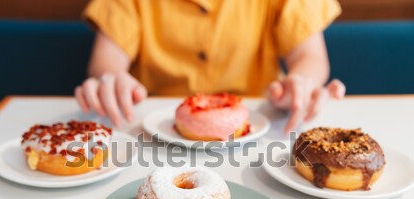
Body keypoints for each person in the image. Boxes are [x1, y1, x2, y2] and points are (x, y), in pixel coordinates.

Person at [75, 0, 346, 134]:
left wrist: (300, 81)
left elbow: (311, 58)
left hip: (262, 127)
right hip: (153, 133)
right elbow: (106, 63)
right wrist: (111, 80)